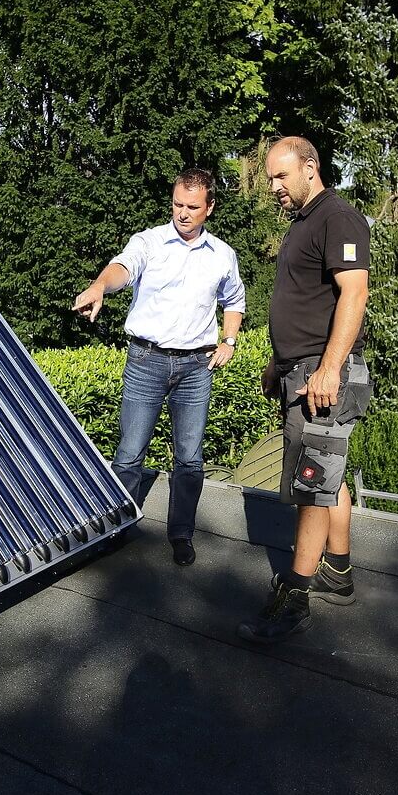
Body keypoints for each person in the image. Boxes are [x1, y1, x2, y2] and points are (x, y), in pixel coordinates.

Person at [73, 168, 246, 566]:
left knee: (189, 457)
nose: (183, 213)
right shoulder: (149, 242)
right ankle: (118, 527)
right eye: (177, 204)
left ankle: (181, 534)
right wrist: (100, 285)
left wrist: (229, 341)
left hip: (196, 368)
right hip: (146, 361)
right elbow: (123, 267)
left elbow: (234, 300)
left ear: (210, 208)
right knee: (130, 453)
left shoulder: (222, 255)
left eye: (192, 207)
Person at [238, 136, 371, 643]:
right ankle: (337, 571)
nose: (273, 187)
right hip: (302, 369)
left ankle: (294, 596)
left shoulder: (337, 217)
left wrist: (329, 368)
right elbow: (303, 302)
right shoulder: (304, 224)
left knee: (314, 480)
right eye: (270, 178)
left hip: (324, 374)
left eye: (280, 176)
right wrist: (280, 362)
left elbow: (354, 293)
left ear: (310, 168)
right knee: (328, 474)